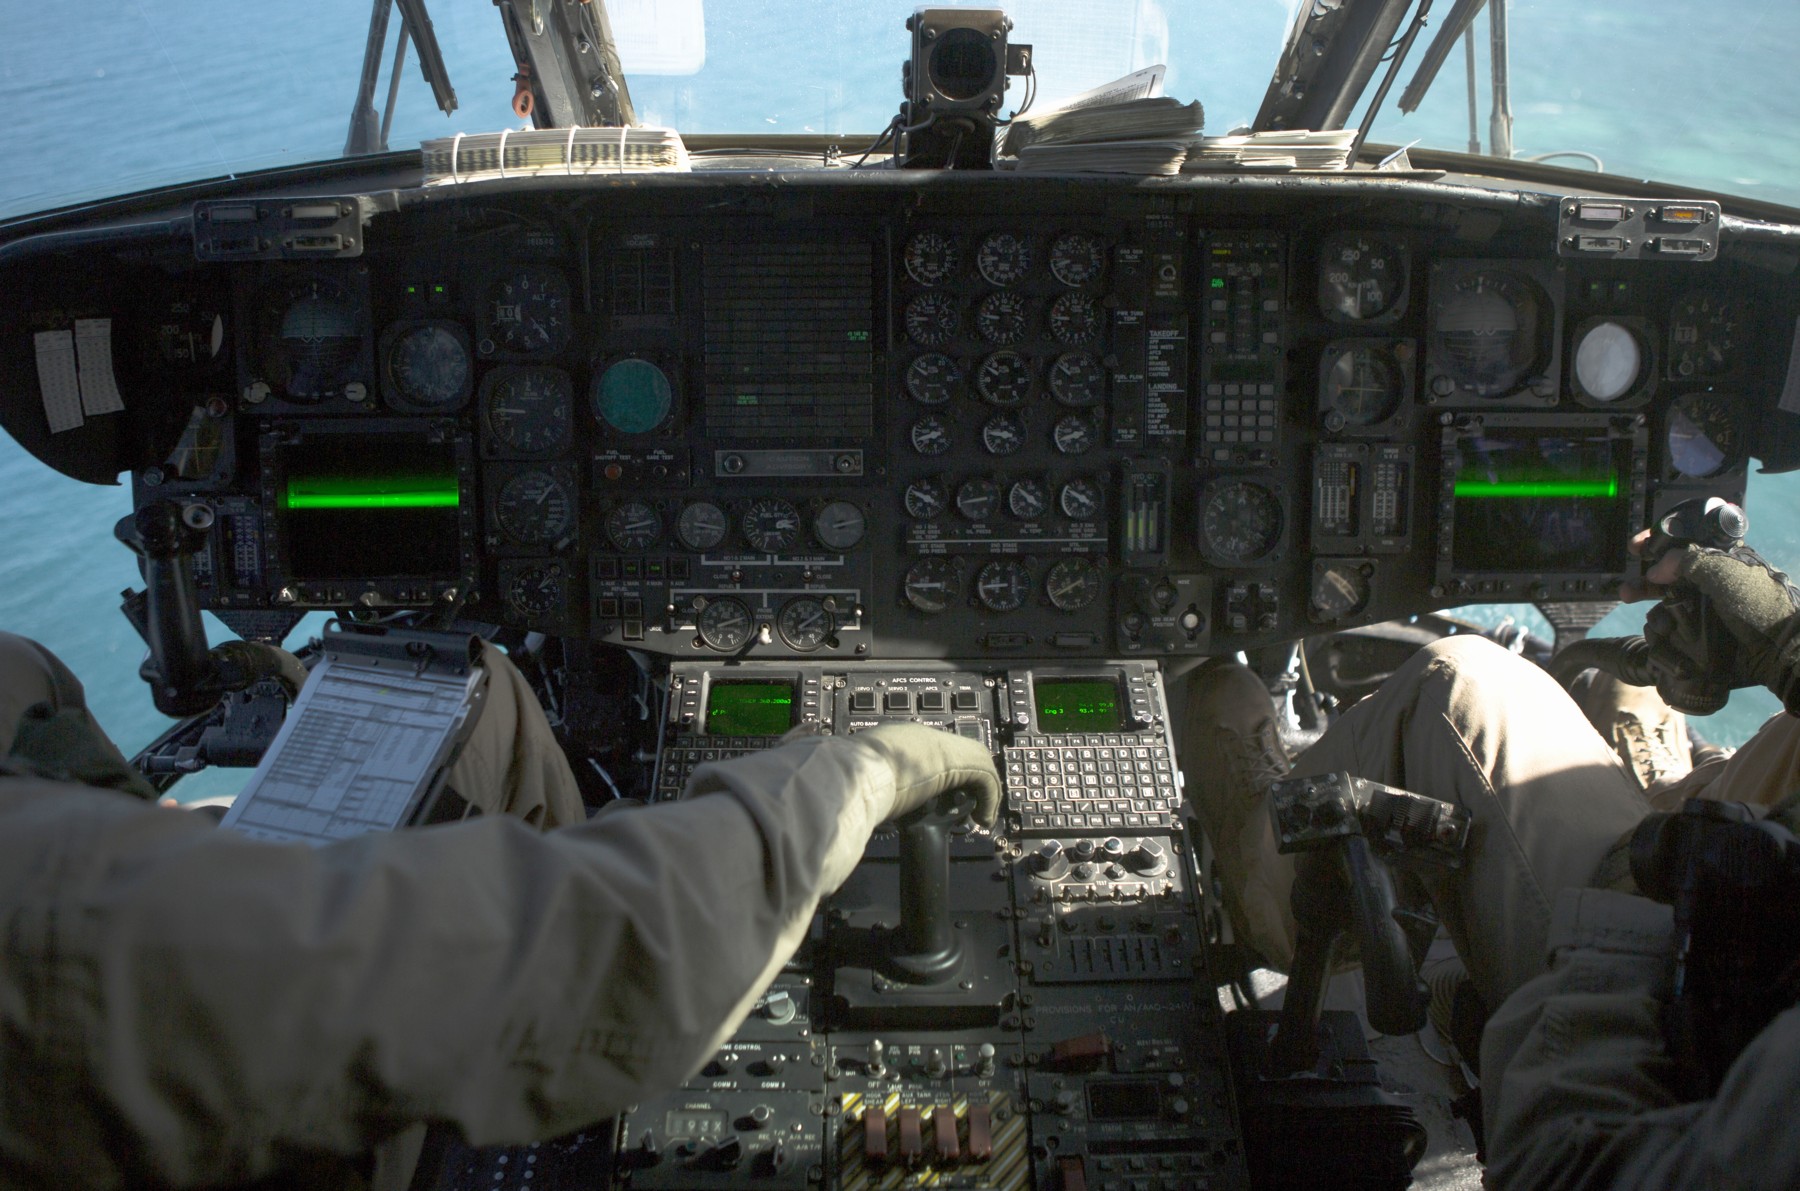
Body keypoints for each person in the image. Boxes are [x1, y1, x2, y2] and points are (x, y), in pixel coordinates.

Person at [0, 631, 1001, 1189]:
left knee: (491, 688)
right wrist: (850, 777)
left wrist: (189, 848)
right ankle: (542, 1128)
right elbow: (600, 943)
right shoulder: (41, 915)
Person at [1180, 532, 1800, 1187]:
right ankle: (1672, 797)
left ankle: (1267, 891)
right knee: (1649, 697)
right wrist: (1785, 648)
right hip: (1759, 904)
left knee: (1462, 688)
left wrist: (1617, 953)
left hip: (1685, 993)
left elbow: (1572, 1165)